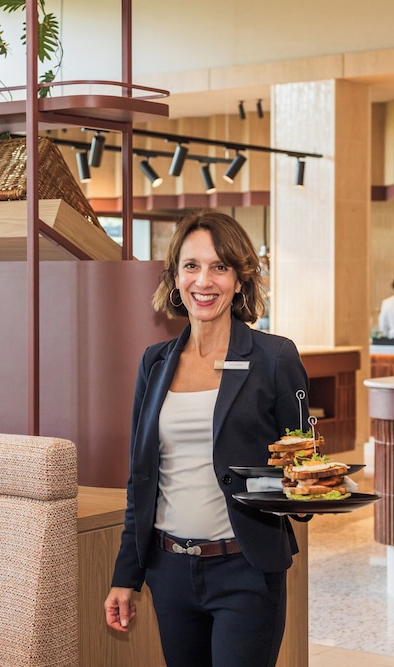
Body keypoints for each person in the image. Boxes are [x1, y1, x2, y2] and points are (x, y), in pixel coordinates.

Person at [104, 210, 312, 667]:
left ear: (239, 280)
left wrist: (305, 492)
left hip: (245, 570)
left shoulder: (275, 357)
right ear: (176, 278)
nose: (204, 280)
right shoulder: (155, 362)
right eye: (191, 266)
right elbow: (142, 478)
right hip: (169, 570)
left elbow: (302, 458)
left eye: (219, 267)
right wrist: (126, 575)